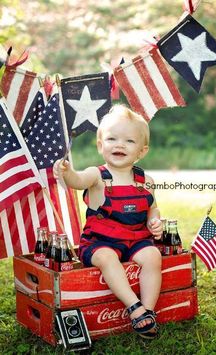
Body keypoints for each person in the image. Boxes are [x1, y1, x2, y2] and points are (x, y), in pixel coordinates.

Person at [53, 105, 162, 338]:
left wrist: (155, 221)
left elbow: (152, 208)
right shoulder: (96, 175)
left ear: (142, 151)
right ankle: (134, 307)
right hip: (99, 243)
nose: (119, 145)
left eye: (129, 141)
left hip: (135, 239)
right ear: (101, 145)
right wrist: (66, 171)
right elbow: (77, 180)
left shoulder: (146, 180)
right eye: (112, 138)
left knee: (153, 256)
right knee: (107, 257)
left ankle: (149, 311)